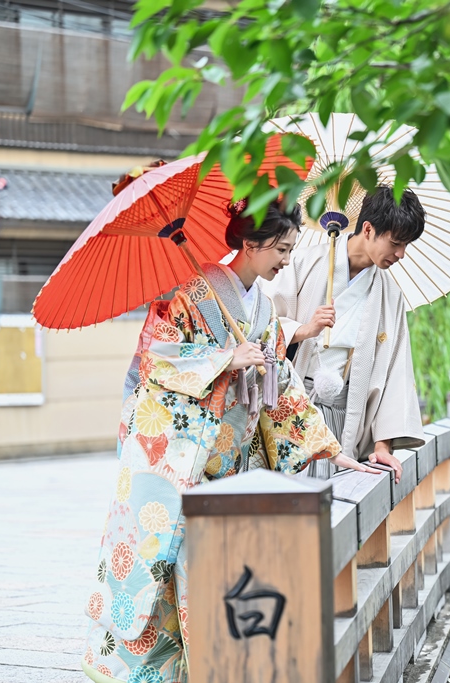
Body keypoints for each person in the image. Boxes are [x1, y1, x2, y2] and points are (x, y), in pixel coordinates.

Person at [81, 196, 379, 683]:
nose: (286, 260)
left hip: (232, 466)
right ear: (249, 243)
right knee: (164, 575)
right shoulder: (187, 293)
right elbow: (156, 362)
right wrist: (221, 361)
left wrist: (333, 450)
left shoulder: (258, 304)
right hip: (182, 463)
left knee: (215, 578)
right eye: (281, 248)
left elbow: (280, 384)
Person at [261, 186, 427, 483]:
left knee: (335, 507)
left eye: (406, 246)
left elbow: (395, 375)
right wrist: (303, 330)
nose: (400, 254)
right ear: (367, 229)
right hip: (293, 407)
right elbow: (262, 323)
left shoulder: (390, 295)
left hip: (345, 414)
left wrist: (383, 446)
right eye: (396, 243)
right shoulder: (302, 262)